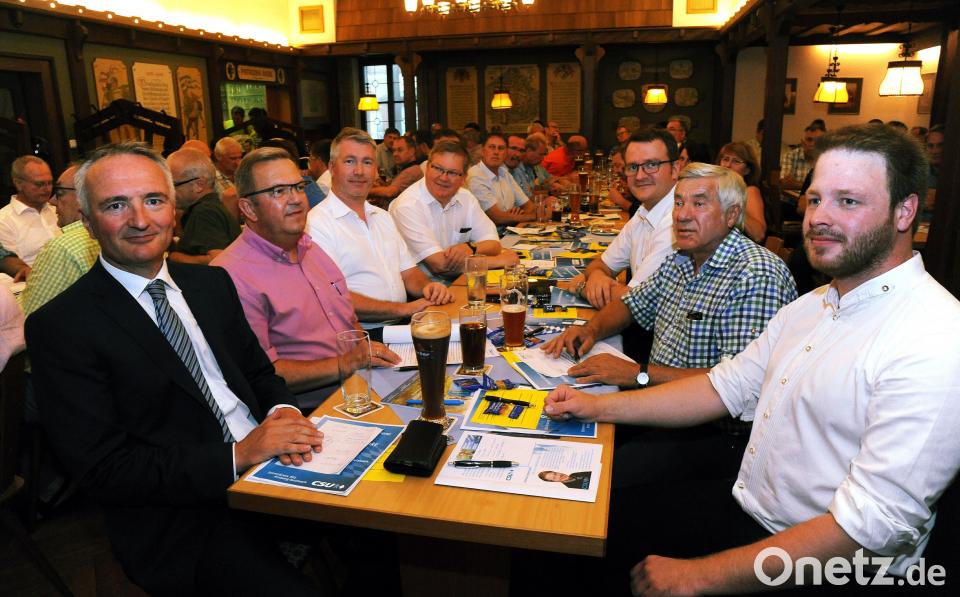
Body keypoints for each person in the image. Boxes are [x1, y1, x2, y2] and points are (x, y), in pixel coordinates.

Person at [545, 124, 960, 595]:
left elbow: (872, 527)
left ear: (905, 211)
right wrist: (594, 406)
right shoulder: (812, 306)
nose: (820, 218)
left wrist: (698, 575)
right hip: (749, 508)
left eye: (848, 201)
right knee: (573, 527)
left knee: (589, 541)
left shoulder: (935, 336)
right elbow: (722, 387)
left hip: (830, 566)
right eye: (816, 199)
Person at [26, 142, 325, 595]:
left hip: (276, 468)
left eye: (153, 200)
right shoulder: (62, 326)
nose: (140, 220)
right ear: (86, 222)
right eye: (115, 205)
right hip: (185, 516)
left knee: (392, 537)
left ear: (174, 210)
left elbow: (259, 374)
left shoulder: (211, 283)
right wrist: (238, 455)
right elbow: (106, 469)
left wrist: (283, 413)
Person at [543, 163, 795, 391]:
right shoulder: (682, 258)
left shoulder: (756, 274)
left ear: (731, 215)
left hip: (705, 421)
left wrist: (638, 374)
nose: (682, 215)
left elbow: (740, 382)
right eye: (679, 203)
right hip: (656, 397)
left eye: (699, 204)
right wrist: (590, 330)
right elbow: (632, 305)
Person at [212, 148, 398, 408]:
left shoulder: (310, 248)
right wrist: (347, 362)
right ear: (248, 208)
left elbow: (347, 319)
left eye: (298, 187)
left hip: (362, 385)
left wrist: (364, 355)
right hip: (309, 410)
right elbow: (261, 374)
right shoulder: (230, 276)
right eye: (278, 191)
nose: (296, 199)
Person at [306, 128, 454, 332]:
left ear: (375, 169)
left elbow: (409, 272)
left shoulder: (382, 217)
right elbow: (334, 297)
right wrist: (403, 309)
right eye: (349, 161)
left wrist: (428, 287)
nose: (359, 171)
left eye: (367, 162)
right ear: (332, 168)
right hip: (360, 334)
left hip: (402, 324)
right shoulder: (317, 223)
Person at [571, 128, 679, 310]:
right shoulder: (644, 211)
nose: (640, 176)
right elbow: (601, 263)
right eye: (633, 167)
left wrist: (582, 287)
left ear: (675, 169)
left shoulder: (677, 220)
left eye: (651, 165)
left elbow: (634, 301)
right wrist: (597, 276)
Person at [389, 141, 518, 282]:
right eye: (438, 168)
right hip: (425, 289)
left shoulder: (466, 198)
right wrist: (500, 261)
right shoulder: (407, 206)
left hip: (461, 280)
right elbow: (440, 265)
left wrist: (471, 247)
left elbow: (494, 244)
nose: (443, 178)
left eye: (452, 173)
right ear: (427, 167)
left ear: (464, 178)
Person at [20, 164, 100, 316]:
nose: (51, 200)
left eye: (59, 192)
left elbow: (30, 317)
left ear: (84, 196)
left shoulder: (63, 248)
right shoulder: (116, 237)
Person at [166, 148, 241, 265]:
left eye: (173, 184)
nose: (168, 191)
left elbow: (218, 261)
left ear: (199, 185)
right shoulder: (209, 207)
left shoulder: (204, 212)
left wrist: (175, 257)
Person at [0, 155, 60, 266]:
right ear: (18, 184)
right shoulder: (3, 221)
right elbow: (11, 267)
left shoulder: (57, 210)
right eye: (39, 184)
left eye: (50, 183)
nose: (47, 189)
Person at [466, 132, 536, 226]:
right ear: (483, 151)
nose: (496, 152)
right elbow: (497, 217)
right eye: (492, 147)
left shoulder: (504, 172)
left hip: (510, 230)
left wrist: (512, 217)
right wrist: (533, 216)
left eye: (501, 148)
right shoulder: (475, 175)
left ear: (505, 153)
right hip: (489, 233)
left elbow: (529, 206)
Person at [717, 142, 767, 243]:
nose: (728, 165)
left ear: (747, 170)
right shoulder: (716, 189)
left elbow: (759, 234)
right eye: (725, 159)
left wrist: (732, 204)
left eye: (736, 161)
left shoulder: (750, 191)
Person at [368, 135, 423, 205]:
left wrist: (365, 191)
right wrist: (382, 184)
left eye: (400, 150)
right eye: (394, 150)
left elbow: (389, 192)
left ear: (412, 151)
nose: (395, 154)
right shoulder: (407, 168)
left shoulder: (412, 171)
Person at [779, 124, 824, 190]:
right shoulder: (790, 156)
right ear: (802, 142)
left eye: (818, 141)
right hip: (793, 196)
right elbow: (785, 184)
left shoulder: (827, 158)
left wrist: (796, 184)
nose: (813, 144)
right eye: (809, 140)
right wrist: (816, 186)